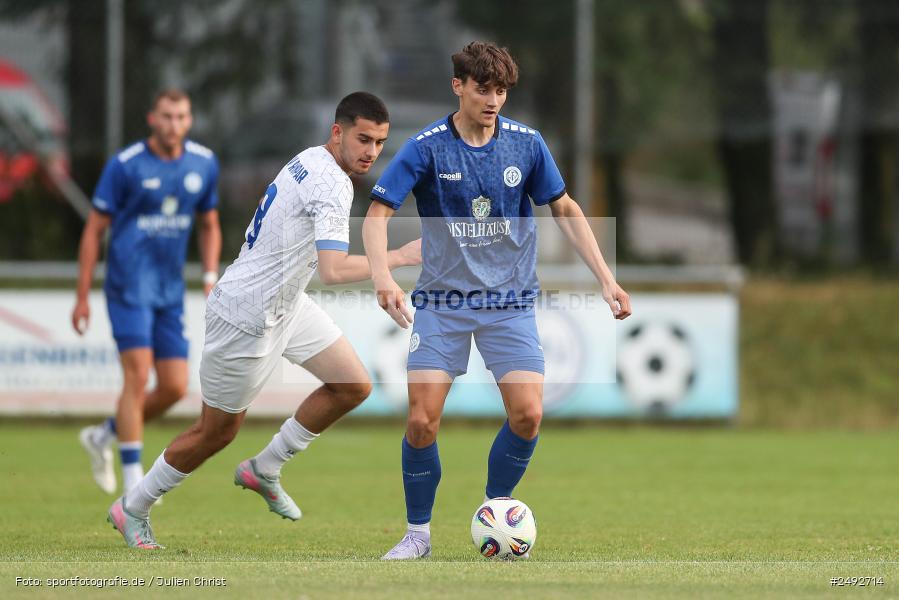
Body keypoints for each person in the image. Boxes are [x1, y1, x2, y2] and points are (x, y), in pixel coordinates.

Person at [107, 92, 421, 549]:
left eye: (379, 142)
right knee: (216, 432)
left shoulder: (311, 159)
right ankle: (132, 507)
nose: (371, 152)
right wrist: (397, 258)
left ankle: (265, 467)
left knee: (353, 385)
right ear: (337, 132)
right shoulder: (333, 182)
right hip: (247, 315)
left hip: (286, 304)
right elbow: (332, 271)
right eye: (363, 139)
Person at [363, 41, 632, 560]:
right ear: (458, 85)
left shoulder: (527, 145)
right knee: (421, 420)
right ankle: (417, 534)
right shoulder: (425, 147)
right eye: (483, 89)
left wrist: (606, 277)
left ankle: (497, 513)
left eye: (502, 90)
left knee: (528, 415)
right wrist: (382, 278)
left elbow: (566, 208)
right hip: (441, 303)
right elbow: (377, 216)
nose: (493, 100)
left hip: (508, 302)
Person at [75, 89, 222, 496]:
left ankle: (104, 435)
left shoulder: (204, 163)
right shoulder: (125, 166)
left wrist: (209, 274)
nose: (174, 124)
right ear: (151, 119)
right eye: (166, 116)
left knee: (175, 387)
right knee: (137, 376)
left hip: (168, 290)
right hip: (127, 286)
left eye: (181, 116)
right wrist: (83, 294)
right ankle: (132, 484)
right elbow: (93, 230)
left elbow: (209, 224)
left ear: (189, 121)